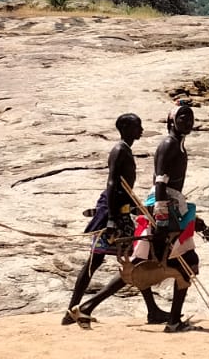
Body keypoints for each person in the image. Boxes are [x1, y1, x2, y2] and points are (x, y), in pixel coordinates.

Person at [63, 113, 168, 326]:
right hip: (113, 213)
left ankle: (73, 311)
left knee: (128, 260)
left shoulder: (125, 150)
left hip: (121, 210)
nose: (141, 129)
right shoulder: (120, 151)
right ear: (127, 127)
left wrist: (139, 209)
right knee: (108, 261)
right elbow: (112, 185)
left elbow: (123, 189)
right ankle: (75, 309)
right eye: (138, 125)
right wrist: (111, 219)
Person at [143, 98, 209, 332]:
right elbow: (159, 181)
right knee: (189, 262)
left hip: (173, 203)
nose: (188, 121)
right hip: (164, 204)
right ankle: (174, 322)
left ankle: (86, 306)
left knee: (147, 261)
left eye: (191, 117)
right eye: (183, 117)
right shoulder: (169, 144)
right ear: (172, 120)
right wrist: (162, 215)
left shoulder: (178, 144)